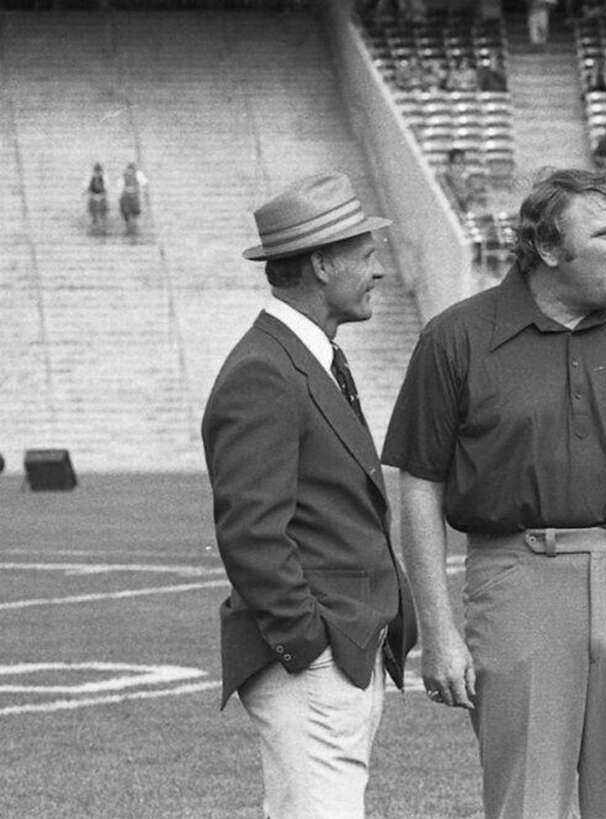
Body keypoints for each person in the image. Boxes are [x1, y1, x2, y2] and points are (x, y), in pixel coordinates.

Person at [381, 166, 606, 819]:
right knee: (526, 805)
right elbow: (420, 486)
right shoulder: (456, 339)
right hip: (517, 583)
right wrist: (438, 628)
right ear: (546, 248)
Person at [201, 171, 417, 819]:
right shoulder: (266, 370)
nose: (378, 271)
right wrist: (309, 646)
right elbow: (251, 533)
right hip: (316, 657)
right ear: (322, 265)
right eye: (365, 255)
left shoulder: (305, 356)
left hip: (341, 648)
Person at [117, 161, 147, 233]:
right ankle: (127, 226)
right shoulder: (123, 175)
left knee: (135, 212)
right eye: (129, 170)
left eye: (131, 170)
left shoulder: (138, 175)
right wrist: (120, 197)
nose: (130, 171)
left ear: (133, 169)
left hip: (134, 196)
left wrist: (145, 193)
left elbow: (144, 183)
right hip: (126, 196)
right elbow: (120, 186)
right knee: (125, 212)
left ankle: (135, 226)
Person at [84, 162, 109, 231]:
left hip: (99, 197)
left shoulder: (103, 177)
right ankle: (98, 225)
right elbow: (87, 188)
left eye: (98, 171)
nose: (98, 172)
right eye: (97, 171)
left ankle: (99, 225)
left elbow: (106, 188)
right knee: (96, 215)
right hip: (95, 197)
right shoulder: (91, 177)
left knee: (101, 215)